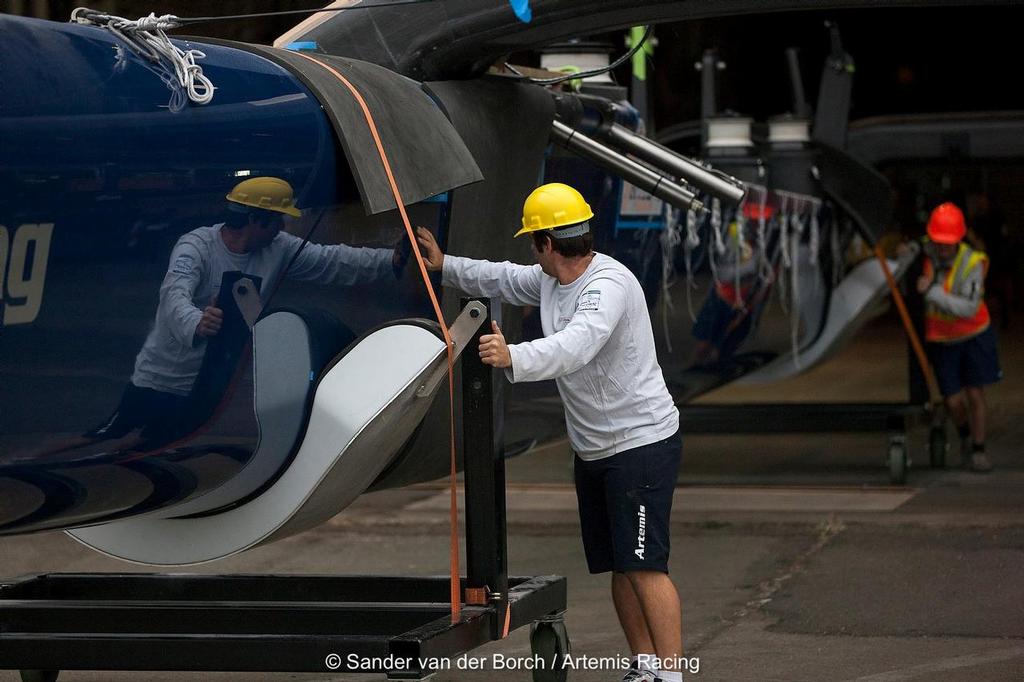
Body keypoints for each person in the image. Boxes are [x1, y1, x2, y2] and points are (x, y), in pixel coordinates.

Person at [416, 183, 684, 682]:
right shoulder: (551, 280)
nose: (529, 252)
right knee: (621, 565)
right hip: (597, 449)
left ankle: (671, 675)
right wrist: (445, 264)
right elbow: (500, 277)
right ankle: (645, 666)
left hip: (640, 446)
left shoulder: (608, 287)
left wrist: (513, 355)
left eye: (531, 241)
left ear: (545, 242)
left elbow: (576, 344)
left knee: (646, 565)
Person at [86, 176, 398, 448]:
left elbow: (333, 261)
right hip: (161, 377)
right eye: (277, 220)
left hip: (212, 382)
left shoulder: (279, 248)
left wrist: (391, 261)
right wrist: (198, 321)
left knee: (164, 446)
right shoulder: (195, 246)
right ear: (255, 219)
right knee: (109, 441)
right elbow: (174, 295)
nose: (281, 228)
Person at [918, 202, 1002, 472]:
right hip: (943, 342)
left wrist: (931, 292)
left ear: (958, 239)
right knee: (953, 400)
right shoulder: (927, 251)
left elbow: (967, 308)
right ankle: (964, 434)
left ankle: (978, 449)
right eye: (938, 242)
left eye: (948, 243)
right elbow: (914, 246)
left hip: (974, 336)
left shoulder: (972, 263)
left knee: (975, 394)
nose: (942, 248)